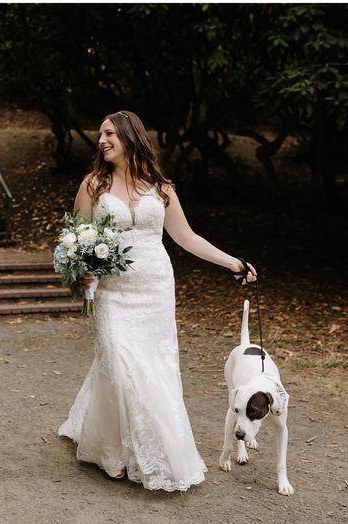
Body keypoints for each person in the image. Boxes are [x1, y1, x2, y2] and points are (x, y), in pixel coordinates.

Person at [58, 110, 257, 492]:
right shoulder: (93, 185)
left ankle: (147, 452)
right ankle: (113, 452)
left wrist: (233, 262)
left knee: (153, 370)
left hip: (155, 290)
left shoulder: (161, 188)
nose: (102, 140)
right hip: (112, 292)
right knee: (119, 367)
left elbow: (187, 238)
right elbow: (74, 238)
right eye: (100, 134)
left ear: (131, 138)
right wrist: (79, 272)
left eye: (110, 133)